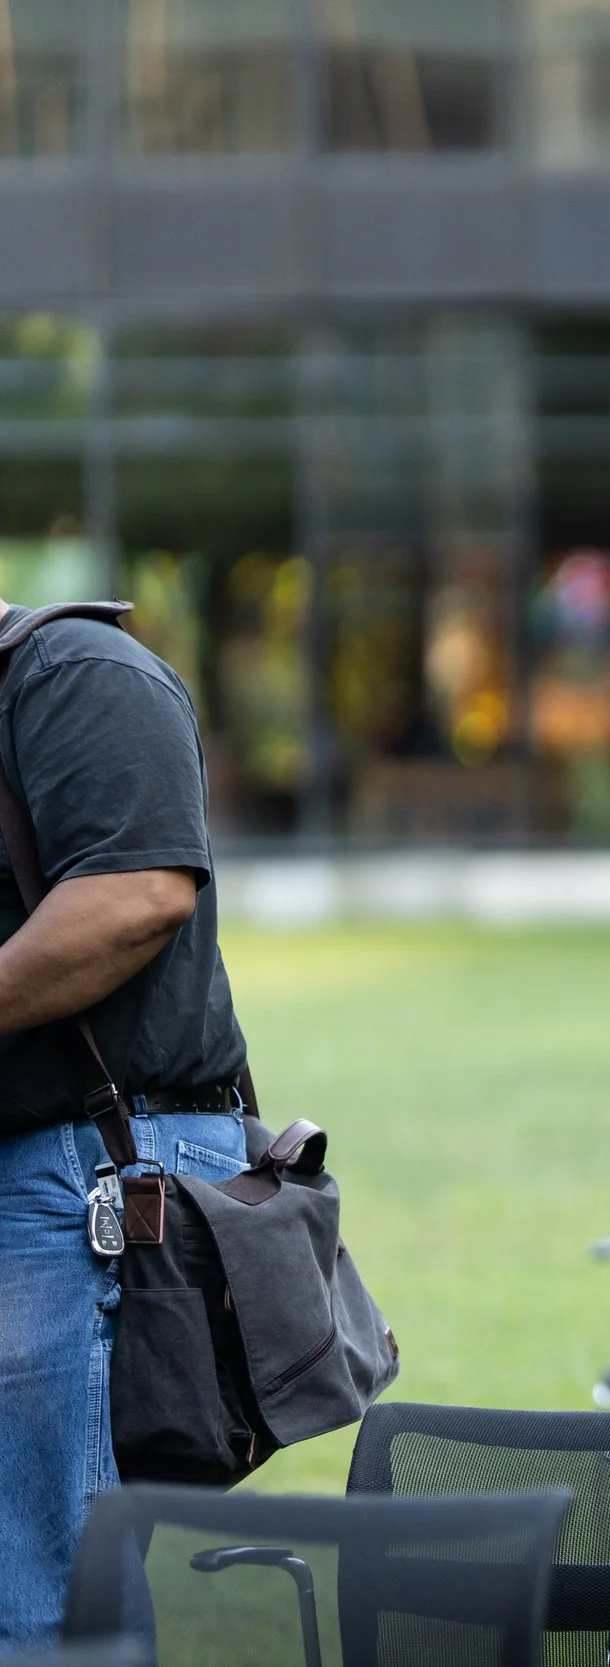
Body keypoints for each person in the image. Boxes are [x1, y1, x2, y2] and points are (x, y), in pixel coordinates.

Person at [0, 602, 254, 1648]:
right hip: (52, 1175)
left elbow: (137, 892)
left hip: (90, 1176)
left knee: (44, 1596)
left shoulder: (73, 667)